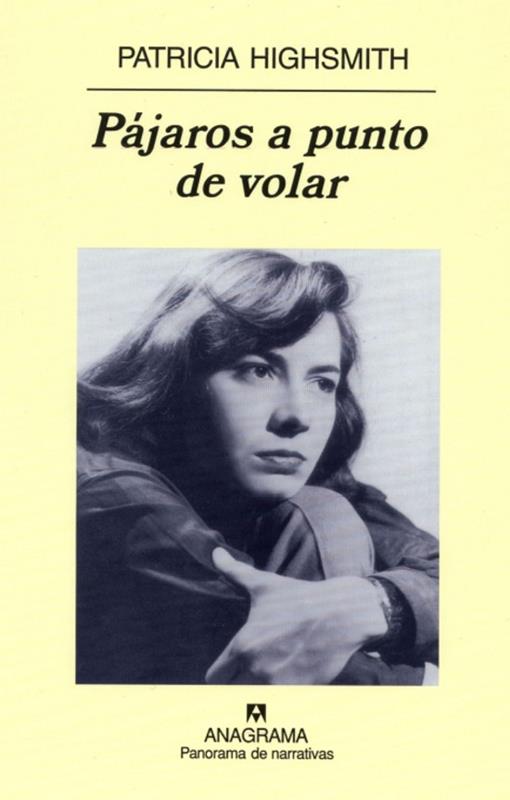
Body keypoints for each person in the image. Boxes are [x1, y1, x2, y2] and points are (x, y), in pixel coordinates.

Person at [77, 250, 438, 685]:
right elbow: (305, 650)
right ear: (176, 375)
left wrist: (377, 602)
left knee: (322, 511)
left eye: (322, 383)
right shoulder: (109, 489)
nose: (297, 416)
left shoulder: (289, 471)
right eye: (259, 371)